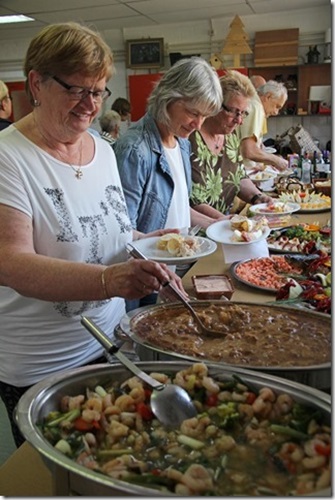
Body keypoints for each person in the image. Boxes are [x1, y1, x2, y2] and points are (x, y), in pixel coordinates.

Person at [0, 21, 185, 448]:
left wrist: (149, 246)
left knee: (120, 457)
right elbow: (10, 264)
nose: (91, 104)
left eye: (98, 90)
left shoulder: (100, 147)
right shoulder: (9, 158)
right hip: (43, 366)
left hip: (109, 343)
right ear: (37, 84)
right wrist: (108, 281)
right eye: (77, 89)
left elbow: (105, 227)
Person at [114, 56, 223, 310]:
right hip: (145, 280)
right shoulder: (134, 149)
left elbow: (179, 207)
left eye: (204, 116)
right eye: (193, 112)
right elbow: (121, 234)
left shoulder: (181, 143)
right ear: (167, 97)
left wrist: (218, 226)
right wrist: (162, 277)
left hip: (171, 271)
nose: (198, 124)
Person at [189, 70, 272, 220]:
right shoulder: (190, 139)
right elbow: (190, 201)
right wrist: (224, 222)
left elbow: (239, 176)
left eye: (243, 113)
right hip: (198, 232)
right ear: (215, 105)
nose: (239, 120)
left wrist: (257, 197)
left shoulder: (230, 137)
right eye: (234, 112)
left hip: (224, 225)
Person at [237, 80, 289, 171]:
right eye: (277, 106)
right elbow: (249, 151)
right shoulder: (256, 108)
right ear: (268, 97)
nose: (276, 112)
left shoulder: (251, 102)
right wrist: (276, 161)